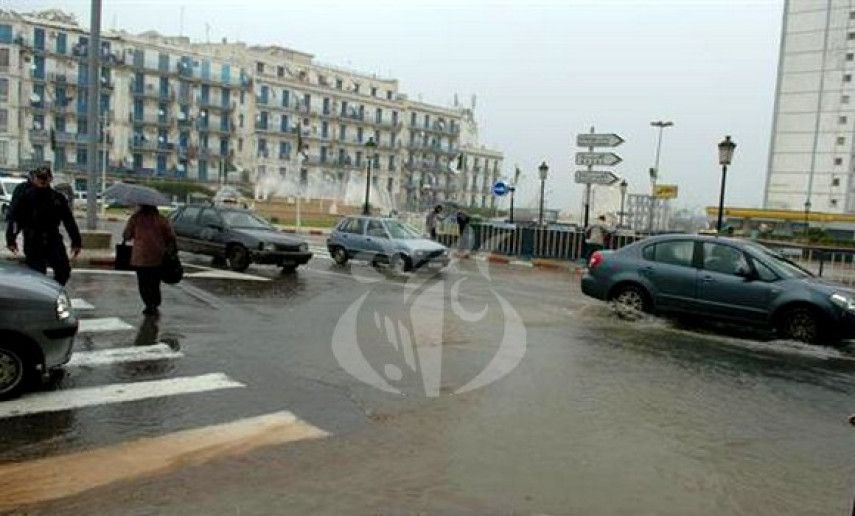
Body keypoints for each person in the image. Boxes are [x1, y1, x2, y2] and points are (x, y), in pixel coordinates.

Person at [5, 166, 81, 286]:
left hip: (53, 239)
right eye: (40, 178)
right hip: (33, 240)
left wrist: (76, 241)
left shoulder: (57, 198)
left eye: (45, 178)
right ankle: (41, 297)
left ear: (50, 179)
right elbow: (15, 219)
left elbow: (69, 221)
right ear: (34, 178)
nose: (42, 181)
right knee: (38, 274)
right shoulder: (26, 197)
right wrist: (11, 239)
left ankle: (54, 292)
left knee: (64, 270)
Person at [122, 204, 176, 317]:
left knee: (143, 282)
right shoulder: (161, 219)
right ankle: (155, 303)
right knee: (155, 282)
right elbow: (170, 236)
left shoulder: (135, 218)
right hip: (157, 256)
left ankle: (148, 304)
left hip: (140, 257)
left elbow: (127, 235)